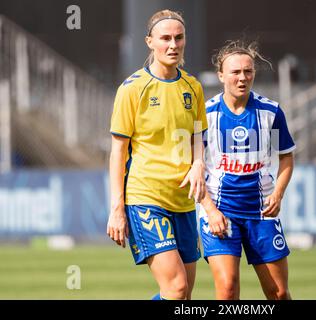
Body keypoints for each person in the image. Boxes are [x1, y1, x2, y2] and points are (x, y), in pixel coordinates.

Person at [106, 9, 207, 300]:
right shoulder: (132, 89)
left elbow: (198, 137)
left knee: (183, 294)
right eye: (165, 38)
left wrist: (198, 164)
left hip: (183, 202)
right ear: (150, 41)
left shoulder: (193, 87)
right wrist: (117, 208)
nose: (173, 44)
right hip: (146, 198)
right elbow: (118, 151)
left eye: (179, 38)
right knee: (175, 289)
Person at [199, 40, 295, 300]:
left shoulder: (271, 112)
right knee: (228, 290)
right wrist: (210, 211)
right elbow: (192, 170)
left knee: (279, 293)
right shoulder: (204, 115)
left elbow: (286, 158)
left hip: (261, 212)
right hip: (220, 211)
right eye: (235, 72)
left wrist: (278, 194)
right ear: (221, 75)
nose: (242, 78)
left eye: (248, 71)